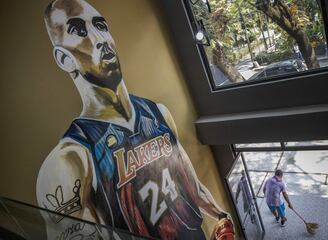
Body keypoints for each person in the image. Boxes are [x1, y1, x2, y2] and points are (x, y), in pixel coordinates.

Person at [36, 0, 234, 239]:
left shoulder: (158, 113)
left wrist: (222, 217)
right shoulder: (70, 160)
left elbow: (192, 186)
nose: (100, 38)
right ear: (64, 58)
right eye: (79, 30)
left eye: (101, 25)